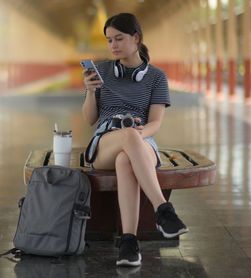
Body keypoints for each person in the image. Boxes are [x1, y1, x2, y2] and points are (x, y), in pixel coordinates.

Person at [82, 13, 188, 267]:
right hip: (105, 141)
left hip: (143, 141)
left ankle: (129, 243)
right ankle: (163, 210)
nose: (113, 45)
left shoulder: (157, 77)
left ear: (136, 38)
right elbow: (89, 120)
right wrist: (89, 91)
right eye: (109, 40)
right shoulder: (102, 70)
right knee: (126, 141)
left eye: (119, 38)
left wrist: (138, 137)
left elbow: (155, 122)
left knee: (125, 161)